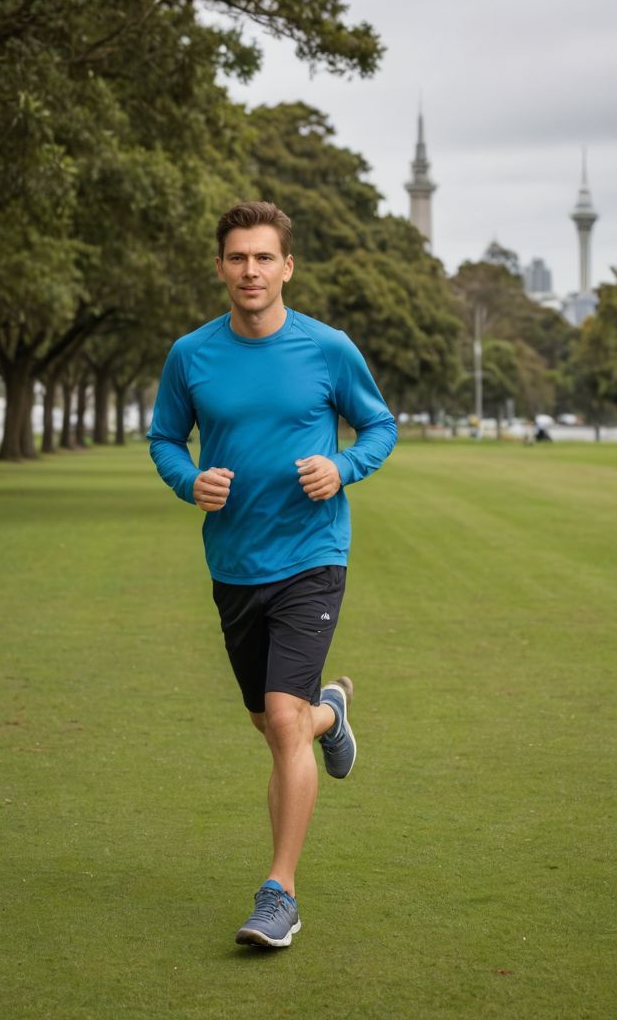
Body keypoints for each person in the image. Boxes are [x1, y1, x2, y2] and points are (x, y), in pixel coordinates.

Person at [148, 201, 397, 949]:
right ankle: (331, 714)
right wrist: (189, 481)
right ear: (221, 266)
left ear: (287, 266)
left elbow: (379, 424)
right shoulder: (191, 355)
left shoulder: (328, 349)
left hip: (313, 555)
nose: (250, 270)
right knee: (272, 719)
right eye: (237, 258)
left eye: (264, 258)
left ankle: (278, 892)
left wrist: (343, 466)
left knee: (279, 718)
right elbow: (164, 437)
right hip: (234, 560)